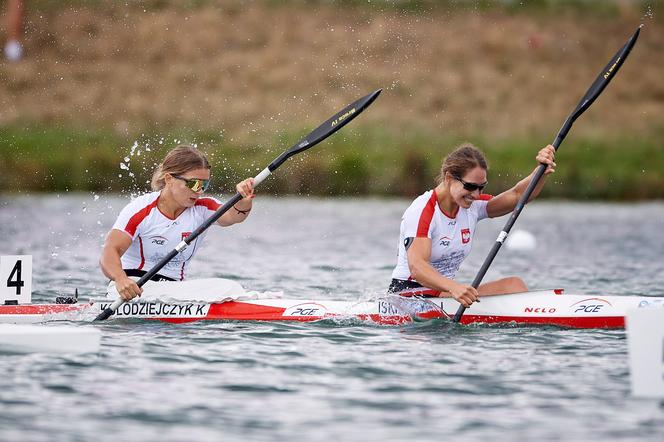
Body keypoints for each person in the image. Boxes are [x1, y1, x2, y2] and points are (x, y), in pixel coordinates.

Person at [388, 142, 556, 308]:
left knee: (513, 285)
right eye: (470, 186)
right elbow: (417, 267)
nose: (476, 195)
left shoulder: (472, 206)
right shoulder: (423, 210)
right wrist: (453, 287)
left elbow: (518, 195)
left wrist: (541, 171)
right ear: (448, 178)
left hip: (445, 293)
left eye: (481, 187)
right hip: (409, 295)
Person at [100, 145, 255, 301]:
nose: (199, 191)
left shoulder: (202, 208)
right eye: (194, 183)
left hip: (174, 291)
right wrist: (120, 279)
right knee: (227, 289)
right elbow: (109, 251)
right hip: (132, 289)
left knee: (230, 287)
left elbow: (234, 216)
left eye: (204, 185)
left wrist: (243, 198)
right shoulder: (140, 210)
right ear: (169, 179)